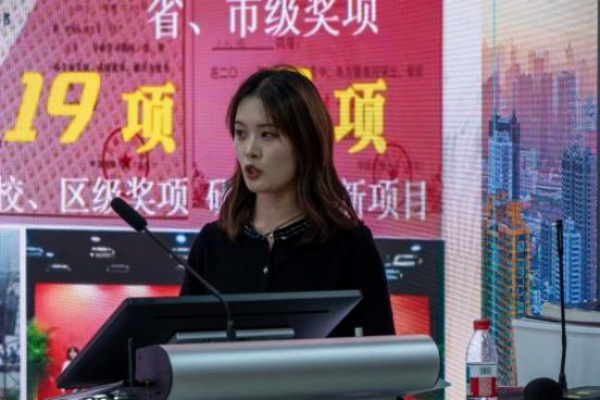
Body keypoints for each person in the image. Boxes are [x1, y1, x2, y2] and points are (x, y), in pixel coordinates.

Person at [181, 66, 394, 337]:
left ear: (306, 143)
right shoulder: (212, 244)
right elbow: (181, 348)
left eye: (267, 135)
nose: (249, 150)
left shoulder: (349, 246)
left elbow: (380, 354)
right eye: (241, 133)